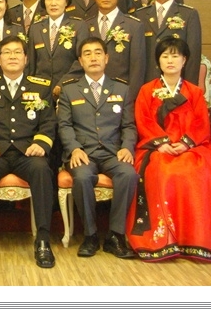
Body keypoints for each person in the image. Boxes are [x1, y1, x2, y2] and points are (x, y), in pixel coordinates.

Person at [126, 38, 211, 262]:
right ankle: (167, 238)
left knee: (197, 173)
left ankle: (197, 237)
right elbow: (143, 120)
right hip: (158, 148)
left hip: (192, 147)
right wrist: (161, 143)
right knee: (163, 172)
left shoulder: (194, 92)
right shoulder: (147, 91)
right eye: (165, 56)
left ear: (184, 60)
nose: (170, 60)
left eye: (175, 56)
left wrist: (185, 143)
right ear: (158, 61)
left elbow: (202, 122)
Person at [0, 36, 57, 269]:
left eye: (17, 52)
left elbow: (48, 123)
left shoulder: (41, 86)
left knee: (42, 170)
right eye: (7, 52)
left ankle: (43, 240)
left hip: (28, 152)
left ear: (26, 59)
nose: (12, 56)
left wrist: (41, 143)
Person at [57, 37, 139, 259]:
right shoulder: (69, 90)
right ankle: (90, 235)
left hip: (113, 152)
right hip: (83, 153)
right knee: (83, 177)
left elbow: (129, 126)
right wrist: (74, 148)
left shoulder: (121, 89)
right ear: (80, 61)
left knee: (129, 174)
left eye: (97, 53)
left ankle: (116, 236)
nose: (93, 58)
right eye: (87, 54)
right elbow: (64, 126)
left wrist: (127, 147)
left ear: (106, 58)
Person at [66, 0, 146, 101]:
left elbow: (138, 69)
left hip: (121, 94)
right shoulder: (85, 25)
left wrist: (130, 100)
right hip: (88, 95)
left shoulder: (134, 26)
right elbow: (79, 61)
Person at [132, 0, 202, 85]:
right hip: (147, 85)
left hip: (177, 84)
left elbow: (193, 57)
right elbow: (135, 58)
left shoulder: (188, 14)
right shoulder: (140, 15)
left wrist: (188, 89)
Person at [27, 0, 83, 98]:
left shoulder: (78, 26)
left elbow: (82, 60)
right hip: (41, 91)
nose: (53, 3)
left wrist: (62, 83)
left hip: (70, 88)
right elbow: (31, 63)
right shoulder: (36, 28)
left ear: (66, 1)